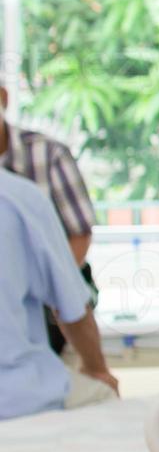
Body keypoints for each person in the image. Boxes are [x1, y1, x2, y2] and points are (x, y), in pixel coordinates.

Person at [0, 169, 118, 420]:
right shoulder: (19, 197)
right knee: (104, 394)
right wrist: (97, 370)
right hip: (18, 398)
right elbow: (73, 308)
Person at [0, 85, 99, 354]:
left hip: (47, 288)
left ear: (3, 98)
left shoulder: (47, 154)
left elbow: (79, 234)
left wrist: (54, 286)